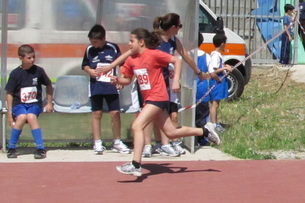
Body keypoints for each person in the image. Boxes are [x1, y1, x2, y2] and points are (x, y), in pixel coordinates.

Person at [113, 28, 220, 177]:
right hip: (149, 99)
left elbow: (176, 60)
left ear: (141, 42)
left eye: (132, 41)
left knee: (137, 125)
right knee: (171, 132)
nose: (129, 44)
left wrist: (175, 80)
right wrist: (118, 80)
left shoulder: (153, 54)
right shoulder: (131, 60)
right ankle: (205, 131)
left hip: (158, 96)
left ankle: (136, 164)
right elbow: (127, 79)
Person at [82, 25, 130, 155]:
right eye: (92, 42)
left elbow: (123, 64)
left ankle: (117, 142)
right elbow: (85, 65)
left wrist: (122, 79)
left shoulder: (113, 48)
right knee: (96, 114)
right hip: (96, 86)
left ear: (103, 38)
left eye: (96, 42)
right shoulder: (89, 49)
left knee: (115, 113)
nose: (93, 44)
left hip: (110, 86)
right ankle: (97, 142)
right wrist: (90, 70)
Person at [5, 45, 53, 159]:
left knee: (31, 117)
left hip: (34, 104)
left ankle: (40, 148)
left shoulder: (39, 71)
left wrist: (49, 102)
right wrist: (9, 113)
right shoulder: (15, 73)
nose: (32, 60)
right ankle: (11, 147)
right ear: (21, 58)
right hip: (19, 104)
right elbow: (9, 94)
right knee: (21, 117)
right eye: (28, 58)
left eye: (33, 57)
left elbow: (49, 85)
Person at [207, 30, 231, 129]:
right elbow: (213, 70)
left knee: (216, 104)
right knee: (215, 104)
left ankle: (215, 122)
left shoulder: (217, 55)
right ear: (222, 44)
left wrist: (224, 65)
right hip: (217, 82)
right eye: (225, 43)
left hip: (219, 81)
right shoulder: (215, 55)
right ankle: (213, 124)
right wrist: (225, 68)